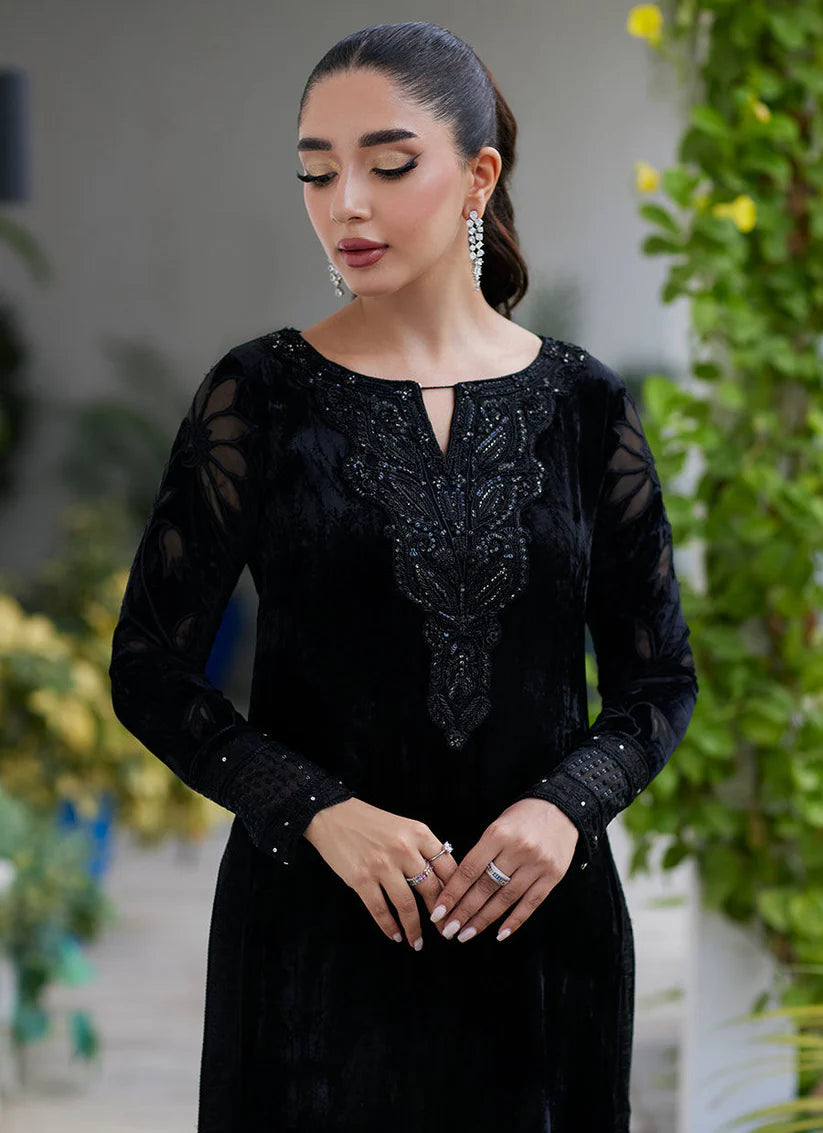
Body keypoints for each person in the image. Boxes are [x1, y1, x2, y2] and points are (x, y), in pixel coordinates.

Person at [108, 20, 697, 1133]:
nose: (346, 205)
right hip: (310, 949)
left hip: (542, 949)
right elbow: (148, 666)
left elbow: (658, 679)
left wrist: (564, 806)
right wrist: (316, 809)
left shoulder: (584, 405)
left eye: (387, 165)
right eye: (315, 173)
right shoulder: (258, 395)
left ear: (478, 176)